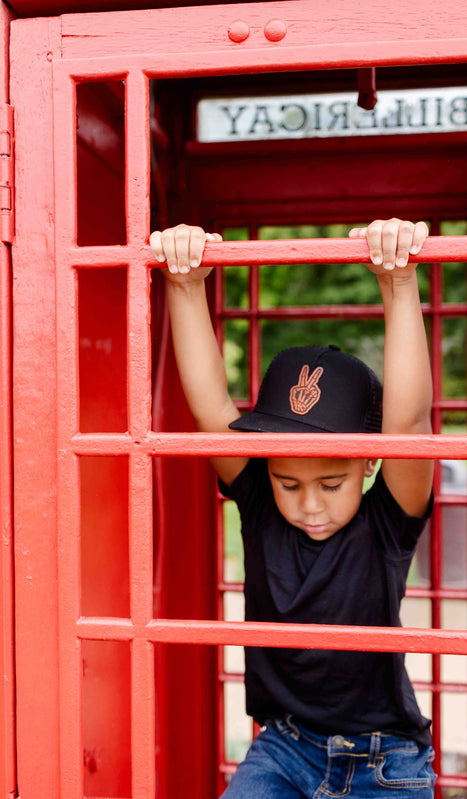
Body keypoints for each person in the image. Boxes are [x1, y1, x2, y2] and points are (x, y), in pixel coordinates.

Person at [150, 219, 436, 798]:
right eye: (287, 482)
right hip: (283, 747)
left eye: (331, 484)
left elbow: (408, 425)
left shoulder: (387, 523)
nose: (309, 505)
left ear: (369, 465)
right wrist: (185, 285)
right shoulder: (259, 505)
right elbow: (210, 413)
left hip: (386, 760)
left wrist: (399, 283)